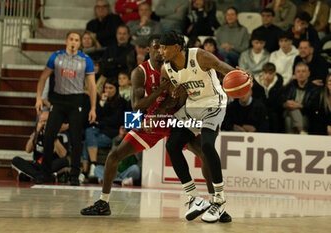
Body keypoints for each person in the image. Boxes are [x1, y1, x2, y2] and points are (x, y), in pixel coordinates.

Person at [80, 34, 232, 222]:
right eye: (156, 47)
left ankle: (216, 204)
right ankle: (103, 203)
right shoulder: (140, 72)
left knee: (204, 152)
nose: (160, 52)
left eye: (163, 47)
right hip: (153, 120)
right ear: (148, 50)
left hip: (174, 117)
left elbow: (182, 98)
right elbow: (136, 106)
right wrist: (137, 122)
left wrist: (174, 98)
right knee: (114, 155)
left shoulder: (175, 65)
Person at [159, 31, 237, 223]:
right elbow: (171, 99)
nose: (160, 51)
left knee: (207, 146)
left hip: (214, 103)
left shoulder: (199, 55)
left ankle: (219, 200)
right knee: (172, 145)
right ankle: (195, 197)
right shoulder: (165, 69)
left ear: (176, 48)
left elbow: (222, 67)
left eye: (164, 47)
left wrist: (240, 75)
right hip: (192, 106)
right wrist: (175, 95)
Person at [35, 31, 97, 185]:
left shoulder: (86, 60)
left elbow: (92, 86)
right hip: (58, 100)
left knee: (76, 140)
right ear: (66, 41)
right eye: (71, 39)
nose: (74, 42)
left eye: (77, 40)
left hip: (76, 101)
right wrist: (38, 98)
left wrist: (93, 108)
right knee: (49, 136)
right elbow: (43, 78)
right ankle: (46, 173)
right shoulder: (56, 56)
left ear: (79, 43)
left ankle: (75, 175)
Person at [11, 110, 70, 181]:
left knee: (65, 161)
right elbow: (28, 150)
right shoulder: (36, 134)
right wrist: (37, 132)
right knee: (16, 160)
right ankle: (43, 176)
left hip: (51, 165)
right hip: (37, 165)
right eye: (41, 121)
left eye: (46, 121)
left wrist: (51, 134)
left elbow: (63, 155)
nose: (43, 124)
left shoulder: (61, 135)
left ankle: (33, 176)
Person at [281, 62, 320, 134]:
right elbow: (281, 102)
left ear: (308, 73)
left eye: (303, 71)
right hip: (288, 111)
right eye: (298, 72)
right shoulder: (290, 86)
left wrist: (299, 106)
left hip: (305, 115)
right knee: (292, 110)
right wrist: (286, 104)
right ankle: (301, 131)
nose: (301, 74)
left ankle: (290, 141)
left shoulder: (314, 88)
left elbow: (313, 106)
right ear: (295, 74)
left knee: (289, 119)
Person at [252, 62, 284, 132]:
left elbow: (278, 101)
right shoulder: (256, 84)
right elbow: (256, 100)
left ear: (274, 74)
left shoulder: (278, 84)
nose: (267, 76)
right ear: (262, 73)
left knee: (275, 116)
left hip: (274, 111)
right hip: (260, 110)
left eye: (270, 74)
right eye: (265, 73)